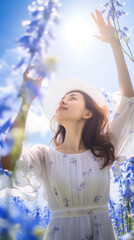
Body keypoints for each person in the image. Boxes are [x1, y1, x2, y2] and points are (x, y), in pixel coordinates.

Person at [1, 9, 134, 240]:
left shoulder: (104, 148)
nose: (63, 100)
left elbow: (129, 100)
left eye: (73, 98)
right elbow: (7, 160)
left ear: (87, 113)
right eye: (63, 98)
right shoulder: (43, 155)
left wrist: (114, 44)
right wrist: (27, 100)